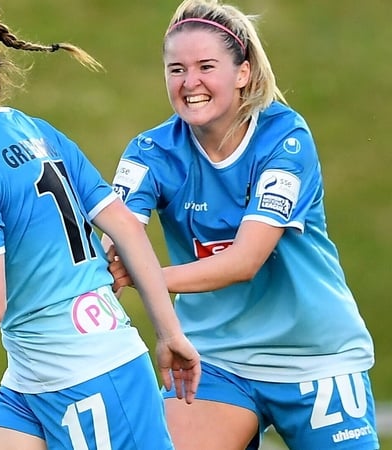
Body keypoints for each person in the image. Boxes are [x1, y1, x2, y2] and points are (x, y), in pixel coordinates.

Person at [0, 0, 201, 448]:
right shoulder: (37, 132)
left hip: (88, 375)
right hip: (31, 376)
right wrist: (169, 332)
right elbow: (125, 227)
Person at [103, 0, 378, 448]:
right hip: (214, 359)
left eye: (206, 67)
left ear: (243, 72)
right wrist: (104, 263)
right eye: (176, 69)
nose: (189, 82)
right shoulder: (150, 151)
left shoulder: (285, 137)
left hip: (314, 356)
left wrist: (143, 275)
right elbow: (116, 235)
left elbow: (245, 260)